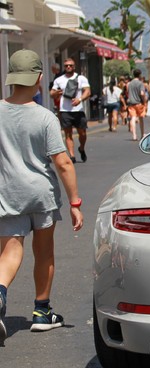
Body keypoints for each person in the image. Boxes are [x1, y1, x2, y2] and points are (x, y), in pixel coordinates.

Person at [0, 50, 84, 345]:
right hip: (42, 194)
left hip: (8, 193)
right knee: (44, 252)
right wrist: (75, 202)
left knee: (10, 252)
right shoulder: (45, 117)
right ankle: (41, 313)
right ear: (38, 78)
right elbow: (62, 162)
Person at [50, 58, 91, 163]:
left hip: (78, 110)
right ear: (64, 67)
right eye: (66, 65)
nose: (68, 67)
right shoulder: (59, 80)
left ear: (74, 66)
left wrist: (80, 99)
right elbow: (52, 93)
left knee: (82, 133)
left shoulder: (81, 78)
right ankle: (72, 156)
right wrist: (56, 93)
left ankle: (81, 148)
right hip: (65, 110)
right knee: (68, 134)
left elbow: (87, 91)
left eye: (71, 65)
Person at [126, 69, 147, 141]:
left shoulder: (129, 84)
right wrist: (144, 101)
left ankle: (134, 135)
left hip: (131, 103)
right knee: (141, 118)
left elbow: (127, 93)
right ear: (140, 75)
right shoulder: (140, 83)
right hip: (139, 103)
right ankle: (142, 134)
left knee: (133, 118)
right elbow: (142, 93)